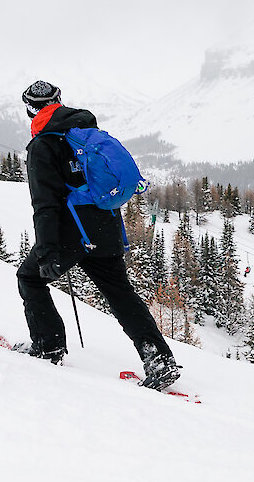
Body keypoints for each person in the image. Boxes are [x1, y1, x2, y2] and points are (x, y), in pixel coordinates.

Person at [16, 80, 182, 390]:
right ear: (59, 100)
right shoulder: (84, 131)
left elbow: (46, 203)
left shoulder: (42, 145)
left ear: (29, 109)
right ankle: (159, 359)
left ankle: (47, 346)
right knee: (120, 293)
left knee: (30, 278)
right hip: (106, 224)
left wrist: (48, 249)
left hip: (73, 230)